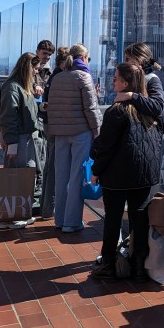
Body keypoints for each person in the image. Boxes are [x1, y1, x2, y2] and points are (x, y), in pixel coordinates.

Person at [89, 62, 164, 280]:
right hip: (145, 175)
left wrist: (96, 170)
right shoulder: (151, 114)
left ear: (125, 83)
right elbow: (163, 122)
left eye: (115, 78)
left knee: (112, 219)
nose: (112, 81)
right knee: (139, 219)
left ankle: (108, 263)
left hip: (118, 176)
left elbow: (106, 147)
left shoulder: (117, 111)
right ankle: (138, 265)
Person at [45, 44, 102, 233]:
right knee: (77, 176)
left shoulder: (58, 77)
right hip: (80, 133)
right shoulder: (84, 77)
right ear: (84, 58)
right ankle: (71, 222)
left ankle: (59, 219)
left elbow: (52, 107)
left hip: (60, 133)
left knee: (61, 177)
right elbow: (91, 109)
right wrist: (97, 132)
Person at [0, 52, 44, 230]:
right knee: (15, 177)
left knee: (24, 175)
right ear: (28, 68)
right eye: (35, 70)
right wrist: (12, 143)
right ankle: (9, 217)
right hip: (19, 138)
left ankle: (18, 213)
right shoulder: (13, 87)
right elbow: (9, 117)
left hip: (24, 137)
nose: (37, 73)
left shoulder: (21, 86)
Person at [38, 45, 70, 219]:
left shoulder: (54, 75)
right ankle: (49, 209)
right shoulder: (59, 76)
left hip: (51, 125)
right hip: (56, 126)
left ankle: (47, 207)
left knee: (50, 167)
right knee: (53, 168)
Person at [30, 39, 55, 214]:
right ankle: (33, 198)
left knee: (43, 156)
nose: (46, 57)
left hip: (44, 118)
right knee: (37, 158)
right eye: (44, 53)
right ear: (38, 51)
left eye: (49, 55)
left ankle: (37, 196)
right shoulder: (30, 70)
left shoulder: (49, 72)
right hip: (34, 119)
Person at [118, 42, 164, 120]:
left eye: (127, 59)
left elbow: (158, 106)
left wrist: (131, 96)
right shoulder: (133, 78)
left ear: (139, 60)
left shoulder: (152, 79)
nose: (124, 63)